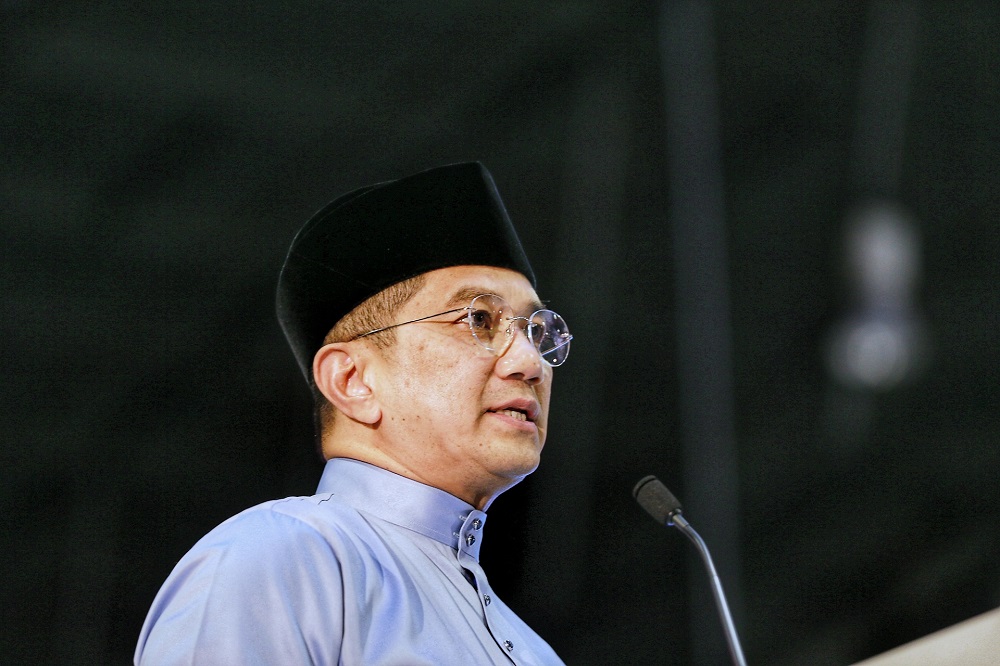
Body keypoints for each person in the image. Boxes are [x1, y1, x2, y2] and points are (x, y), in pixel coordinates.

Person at [135, 162, 571, 665]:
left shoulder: (537, 653)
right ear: (352, 381)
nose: (529, 363)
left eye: (536, 331)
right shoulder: (280, 559)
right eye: (477, 319)